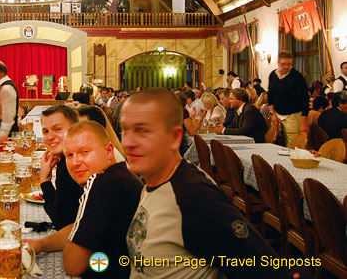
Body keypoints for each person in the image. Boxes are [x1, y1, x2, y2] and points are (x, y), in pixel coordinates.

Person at [121, 89, 293, 279]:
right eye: (125, 130)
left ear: (175, 137)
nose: (128, 142)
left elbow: (261, 267)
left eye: (143, 131)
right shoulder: (153, 183)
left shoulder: (194, 195)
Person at [28, 122, 142, 278]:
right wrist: (40, 245)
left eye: (85, 152)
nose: (75, 162)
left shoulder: (100, 182)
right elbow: (79, 227)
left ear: (108, 151)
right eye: (69, 155)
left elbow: (73, 265)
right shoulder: (120, 173)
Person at [39, 105, 83, 230]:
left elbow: (61, 223)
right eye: (45, 131)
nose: (50, 137)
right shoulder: (65, 159)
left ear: (75, 129)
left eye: (57, 129)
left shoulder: (74, 164)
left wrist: (45, 181)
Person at [268, 51, 309, 146]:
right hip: (277, 115)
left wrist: (304, 122)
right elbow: (270, 95)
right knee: (276, 143)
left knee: (292, 145)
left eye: (289, 64)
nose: (286, 67)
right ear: (278, 63)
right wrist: (272, 113)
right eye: (283, 64)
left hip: (292, 116)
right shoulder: (273, 75)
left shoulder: (297, 77)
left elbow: (305, 100)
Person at [0, 61, 19, 143]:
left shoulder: (6, 89)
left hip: (5, 138)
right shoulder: (4, 87)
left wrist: (1, 138)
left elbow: (8, 117)